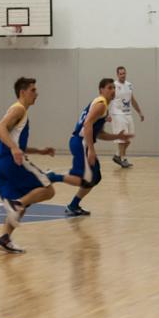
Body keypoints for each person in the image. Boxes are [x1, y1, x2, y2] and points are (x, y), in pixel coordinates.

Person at [0, 77, 84, 254]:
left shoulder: (17, 110)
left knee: (22, 203)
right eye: (33, 90)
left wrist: (39, 151)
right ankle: (16, 204)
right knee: (48, 190)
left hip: (1, 165)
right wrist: (14, 150)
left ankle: (4, 238)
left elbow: (16, 142)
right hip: (13, 162)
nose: (37, 93)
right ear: (22, 92)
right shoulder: (19, 109)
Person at [64, 78, 131, 216]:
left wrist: (117, 136)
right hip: (80, 142)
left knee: (95, 177)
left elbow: (99, 134)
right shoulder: (100, 104)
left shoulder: (103, 106)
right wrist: (91, 150)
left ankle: (73, 206)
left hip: (82, 142)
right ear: (101, 90)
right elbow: (87, 124)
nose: (113, 90)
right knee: (89, 177)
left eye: (114, 88)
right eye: (109, 88)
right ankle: (54, 178)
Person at [111, 66, 145, 168]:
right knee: (122, 138)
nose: (123, 75)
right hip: (117, 114)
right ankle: (123, 159)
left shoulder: (129, 85)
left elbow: (132, 100)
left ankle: (117, 155)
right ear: (117, 75)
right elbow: (107, 99)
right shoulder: (114, 86)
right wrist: (106, 113)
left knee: (129, 137)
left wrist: (139, 112)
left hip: (128, 113)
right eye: (120, 74)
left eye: (124, 73)